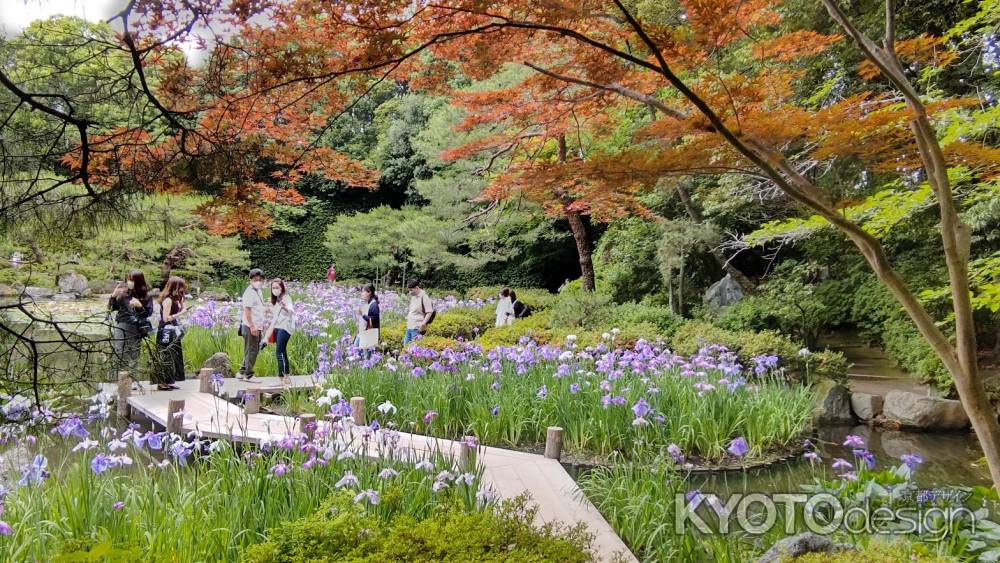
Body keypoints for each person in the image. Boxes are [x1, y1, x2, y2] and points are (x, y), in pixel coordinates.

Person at [107, 270, 153, 377]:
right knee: (119, 351)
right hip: (122, 325)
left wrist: (140, 306)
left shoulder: (146, 295)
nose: (129, 282)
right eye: (128, 279)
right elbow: (111, 308)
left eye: (131, 280)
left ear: (138, 281)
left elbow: (147, 314)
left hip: (136, 327)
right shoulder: (123, 293)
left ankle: (132, 380)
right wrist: (113, 296)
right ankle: (116, 379)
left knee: (133, 354)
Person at [153, 276, 188, 390]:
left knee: (174, 355)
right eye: (181, 287)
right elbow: (165, 318)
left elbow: (181, 309)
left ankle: (169, 380)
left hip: (174, 328)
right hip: (166, 330)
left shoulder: (176, 299)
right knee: (165, 355)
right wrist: (181, 313)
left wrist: (182, 304)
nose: (183, 289)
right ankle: (161, 382)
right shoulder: (168, 300)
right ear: (176, 287)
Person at [262, 278, 295, 383]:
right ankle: (282, 376)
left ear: (282, 288)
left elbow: (291, 310)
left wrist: (284, 306)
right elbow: (276, 314)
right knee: (282, 351)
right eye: (273, 288)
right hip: (278, 326)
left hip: (286, 327)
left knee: (279, 351)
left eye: (277, 287)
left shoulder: (286, 297)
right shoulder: (275, 299)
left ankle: (285, 376)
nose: (275, 289)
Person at [237, 268, 268, 381]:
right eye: (255, 279)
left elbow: (258, 309)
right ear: (250, 280)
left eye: (260, 279)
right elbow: (248, 310)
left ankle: (241, 371)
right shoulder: (249, 292)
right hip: (250, 326)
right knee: (252, 350)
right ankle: (248, 375)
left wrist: (262, 324)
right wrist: (252, 326)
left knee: (251, 349)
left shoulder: (258, 291)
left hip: (257, 325)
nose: (258, 281)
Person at [403, 280, 433, 346]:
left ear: (417, 288)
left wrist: (423, 324)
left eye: (411, 290)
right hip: (410, 326)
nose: (410, 292)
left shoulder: (424, 297)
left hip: (417, 328)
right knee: (405, 346)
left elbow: (429, 312)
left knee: (416, 348)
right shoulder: (414, 296)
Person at [354, 283, 380, 358]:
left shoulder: (374, 305)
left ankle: (366, 368)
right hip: (363, 332)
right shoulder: (367, 302)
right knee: (355, 349)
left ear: (369, 292)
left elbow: (372, 320)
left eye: (363, 291)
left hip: (369, 333)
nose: (361, 293)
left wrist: (362, 314)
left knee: (366, 356)